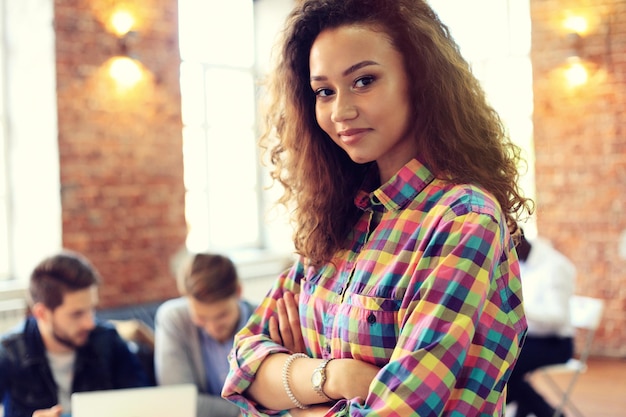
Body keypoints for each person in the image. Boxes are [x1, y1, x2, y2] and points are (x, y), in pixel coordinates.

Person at [221, 0, 534, 416]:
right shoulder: (338, 221)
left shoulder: (462, 218)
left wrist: (292, 399)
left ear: (419, 80)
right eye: (324, 91)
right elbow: (243, 367)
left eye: (364, 81)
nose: (341, 111)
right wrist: (335, 377)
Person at [0, 250, 149, 417]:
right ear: (42, 313)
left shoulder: (107, 339)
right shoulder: (9, 352)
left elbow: (143, 405)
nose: (90, 323)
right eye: (77, 314)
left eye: (91, 309)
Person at [154, 253, 256, 417]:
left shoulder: (266, 320)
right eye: (201, 318)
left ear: (238, 291)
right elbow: (179, 401)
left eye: (222, 316)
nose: (212, 328)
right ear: (184, 296)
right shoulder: (173, 319)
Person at [506, 228, 577, 417]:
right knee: (496, 356)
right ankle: (532, 411)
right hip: (529, 339)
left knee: (506, 365)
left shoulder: (555, 266)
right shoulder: (520, 262)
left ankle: (546, 413)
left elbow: (558, 318)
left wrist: (519, 308)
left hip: (556, 344)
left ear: (518, 242)